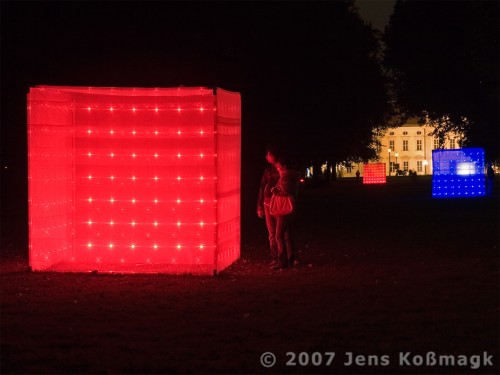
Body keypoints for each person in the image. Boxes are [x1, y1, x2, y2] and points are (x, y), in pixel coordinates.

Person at [270, 157, 300, 269]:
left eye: (278, 166)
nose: (277, 168)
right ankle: (290, 259)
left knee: (278, 235)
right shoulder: (289, 176)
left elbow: (286, 191)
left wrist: (275, 191)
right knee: (287, 235)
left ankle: (282, 261)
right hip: (286, 209)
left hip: (283, 209)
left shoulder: (286, 177)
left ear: (284, 167)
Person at [256, 145, 281, 266]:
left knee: (281, 232)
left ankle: (284, 257)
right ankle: (276, 257)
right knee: (272, 232)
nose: (267, 157)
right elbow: (262, 188)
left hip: (280, 204)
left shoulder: (282, 170)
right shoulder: (267, 172)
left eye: (268, 154)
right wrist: (260, 206)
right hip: (267, 203)